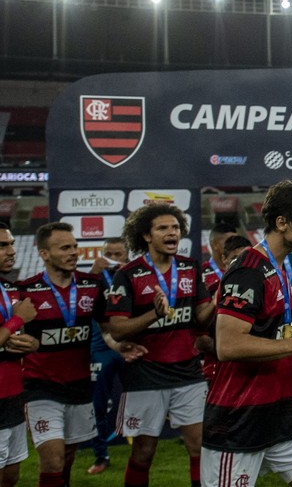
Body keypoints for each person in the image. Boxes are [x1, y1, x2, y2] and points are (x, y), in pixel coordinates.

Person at [201, 179, 292, 487]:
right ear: (282, 222)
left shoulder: (276, 269)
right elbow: (228, 344)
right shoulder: (248, 269)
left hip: (281, 415)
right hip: (239, 419)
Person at [22, 223, 143, 487]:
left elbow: (106, 329)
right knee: (52, 459)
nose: (74, 252)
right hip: (41, 388)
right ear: (44, 253)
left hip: (79, 386)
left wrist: (119, 346)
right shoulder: (26, 290)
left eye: (75, 246)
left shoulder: (92, 285)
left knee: (67, 456)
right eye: (65, 248)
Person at [105, 203, 214, 487]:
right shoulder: (127, 274)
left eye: (175, 228)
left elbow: (201, 317)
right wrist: (154, 313)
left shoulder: (191, 268)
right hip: (146, 374)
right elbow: (117, 330)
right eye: (163, 228)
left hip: (189, 371)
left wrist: (218, 299)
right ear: (146, 236)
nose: (171, 233)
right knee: (143, 451)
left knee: (199, 446)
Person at [86, 237, 128, 475]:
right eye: (109, 253)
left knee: (142, 399)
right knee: (98, 405)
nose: (114, 257)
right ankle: (101, 455)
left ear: (126, 254)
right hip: (100, 348)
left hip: (128, 346)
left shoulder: (131, 275)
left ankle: (143, 447)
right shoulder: (93, 278)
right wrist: (94, 272)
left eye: (118, 253)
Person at [0, 240, 37, 487]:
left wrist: (31, 344)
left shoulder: (9, 289)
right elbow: (13, 324)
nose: (12, 251)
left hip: (13, 396)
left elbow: (19, 337)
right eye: (2, 245)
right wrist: (15, 321)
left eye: (12, 244)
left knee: (11, 476)